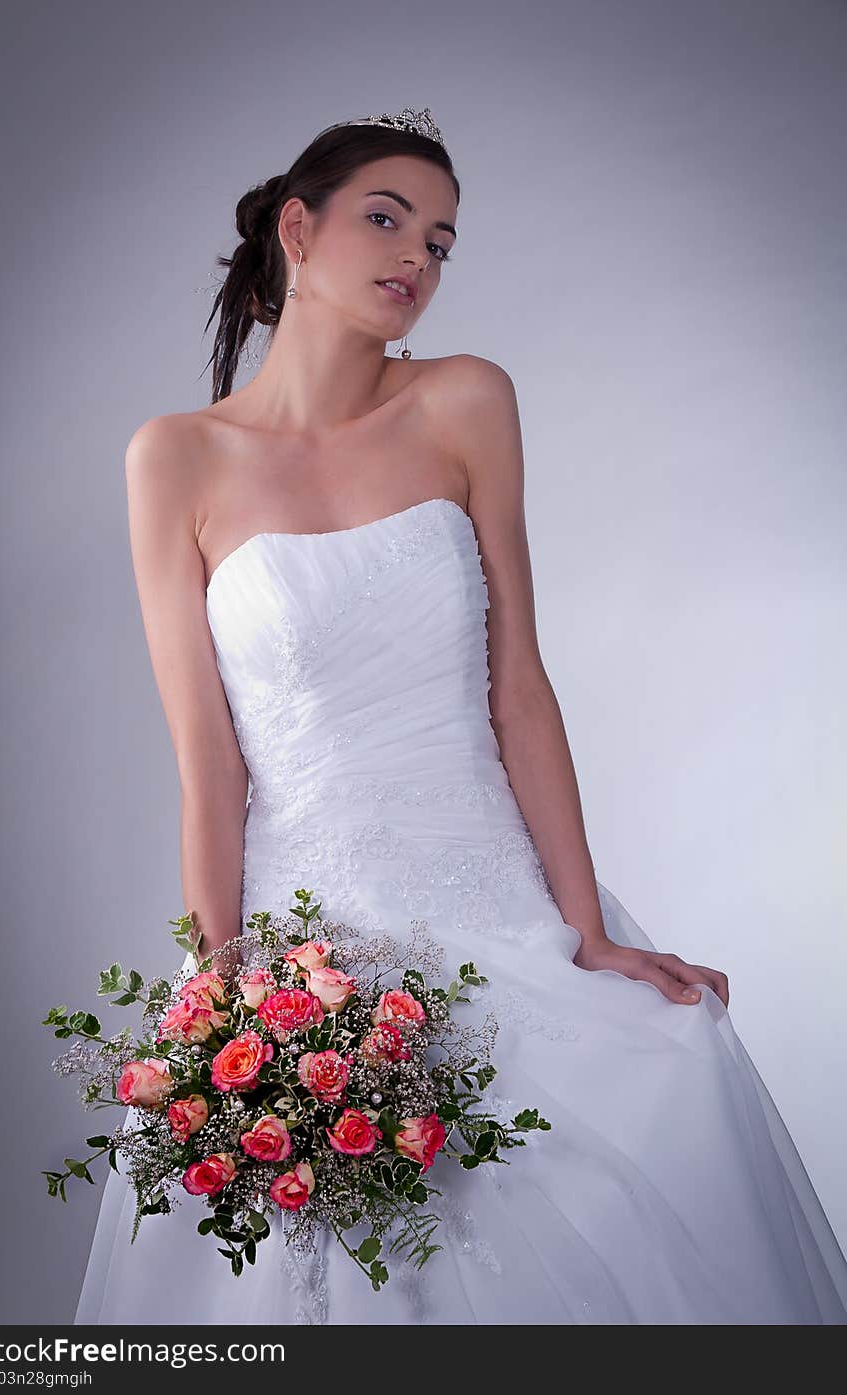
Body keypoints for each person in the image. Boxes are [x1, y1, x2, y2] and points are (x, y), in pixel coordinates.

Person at [74, 107, 847, 1325]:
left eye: (440, 242)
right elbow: (208, 762)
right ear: (298, 228)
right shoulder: (175, 457)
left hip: (489, 890)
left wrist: (586, 932)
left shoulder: (463, 402)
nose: (417, 261)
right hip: (302, 933)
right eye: (387, 221)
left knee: (647, 1106)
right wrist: (220, 983)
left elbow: (518, 688)